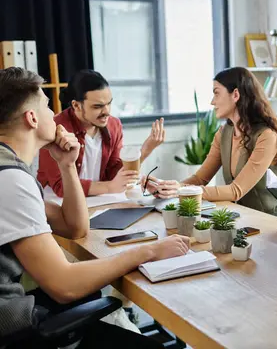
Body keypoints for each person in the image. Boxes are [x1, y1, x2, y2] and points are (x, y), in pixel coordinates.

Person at [0, 67, 190, 348]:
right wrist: (148, 250)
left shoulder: (10, 169)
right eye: (46, 106)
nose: (53, 114)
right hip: (14, 328)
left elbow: (74, 227)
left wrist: (67, 165)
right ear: (31, 118)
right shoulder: (10, 180)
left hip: (12, 313)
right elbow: (64, 285)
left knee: (92, 295)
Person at [145, 67, 277, 216]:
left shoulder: (267, 137)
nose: (212, 102)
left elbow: (236, 191)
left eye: (216, 93)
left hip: (272, 221)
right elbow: (199, 179)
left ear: (235, 95)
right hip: (244, 216)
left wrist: (180, 190)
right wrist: (165, 189)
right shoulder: (224, 134)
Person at [37, 69, 165, 197]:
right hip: (57, 202)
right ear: (76, 106)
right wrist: (109, 187)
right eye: (97, 106)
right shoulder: (55, 128)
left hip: (99, 199)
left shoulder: (114, 125)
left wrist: (146, 150)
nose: (107, 112)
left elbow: (113, 173)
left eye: (108, 104)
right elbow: (61, 186)